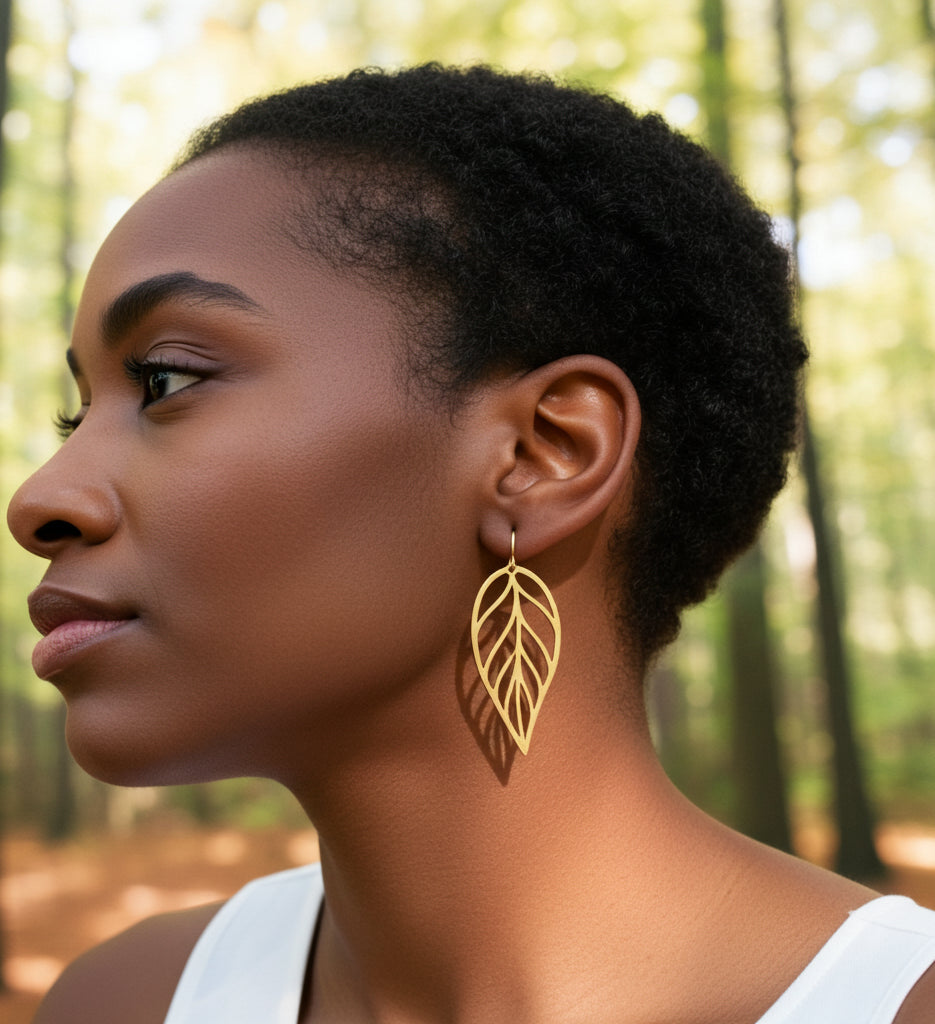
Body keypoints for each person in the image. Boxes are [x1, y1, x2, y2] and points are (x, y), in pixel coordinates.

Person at [7, 64, 935, 1024]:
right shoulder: (120, 1003)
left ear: (543, 454)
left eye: (163, 380)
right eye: (75, 416)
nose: (40, 499)